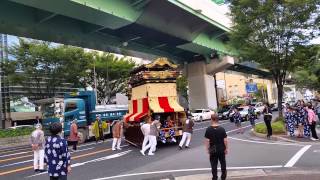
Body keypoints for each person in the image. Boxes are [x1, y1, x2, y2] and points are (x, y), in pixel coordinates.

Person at [204, 114, 228, 180]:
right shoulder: (222, 129)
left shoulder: (208, 129)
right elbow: (225, 140)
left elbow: (207, 141)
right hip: (221, 148)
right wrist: (226, 148)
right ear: (217, 120)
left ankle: (214, 177)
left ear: (211, 119)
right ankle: (223, 177)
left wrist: (208, 150)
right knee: (223, 163)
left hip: (212, 148)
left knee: (213, 164)